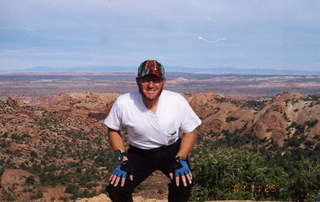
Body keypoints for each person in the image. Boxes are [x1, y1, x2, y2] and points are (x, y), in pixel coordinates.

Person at [104, 60, 202, 202]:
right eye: (146, 80)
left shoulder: (176, 101)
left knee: (184, 184)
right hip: (139, 153)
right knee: (117, 188)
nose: (151, 85)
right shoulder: (123, 102)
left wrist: (181, 157)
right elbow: (113, 130)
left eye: (155, 80)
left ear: (163, 82)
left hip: (172, 151)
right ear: (138, 81)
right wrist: (121, 158)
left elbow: (190, 131)